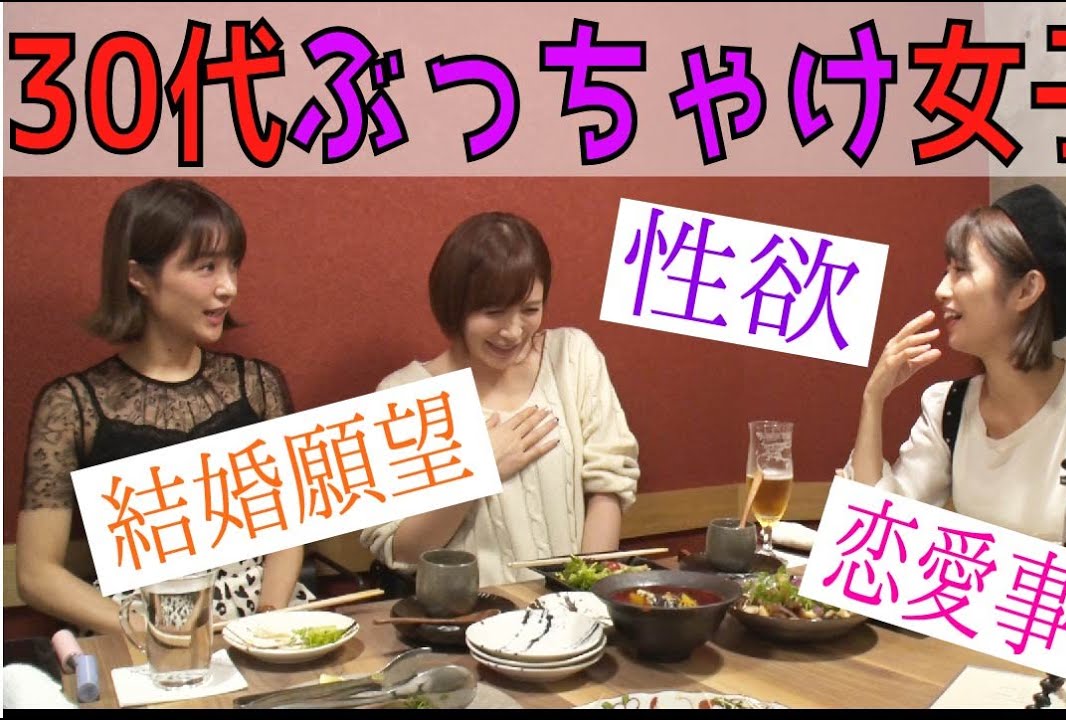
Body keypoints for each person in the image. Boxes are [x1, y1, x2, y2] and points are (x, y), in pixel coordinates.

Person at [15, 179, 313, 636]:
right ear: (139, 277)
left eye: (233, 265)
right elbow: (37, 574)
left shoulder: (257, 385)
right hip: (136, 624)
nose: (229, 287)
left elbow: (289, 527)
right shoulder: (73, 405)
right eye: (206, 267)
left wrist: (267, 621)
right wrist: (152, 631)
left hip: (259, 617)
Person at [844, 184, 1066, 580]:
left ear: (1026, 289)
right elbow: (875, 535)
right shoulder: (949, 407)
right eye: (946, 271)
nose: (941, 290)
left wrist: (972, 569)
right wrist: (873, 398)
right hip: (988, 615)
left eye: (962, 270)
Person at [360, 211, 640, 587]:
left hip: (575, 608)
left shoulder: (572, 357)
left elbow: (609, 484)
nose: (513, 331)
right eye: (493, 312)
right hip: (472, 615)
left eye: (530, 309)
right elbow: (400, 549)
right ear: (454, 307)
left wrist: (584, 590)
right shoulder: (402, 396)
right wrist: (477, 470)